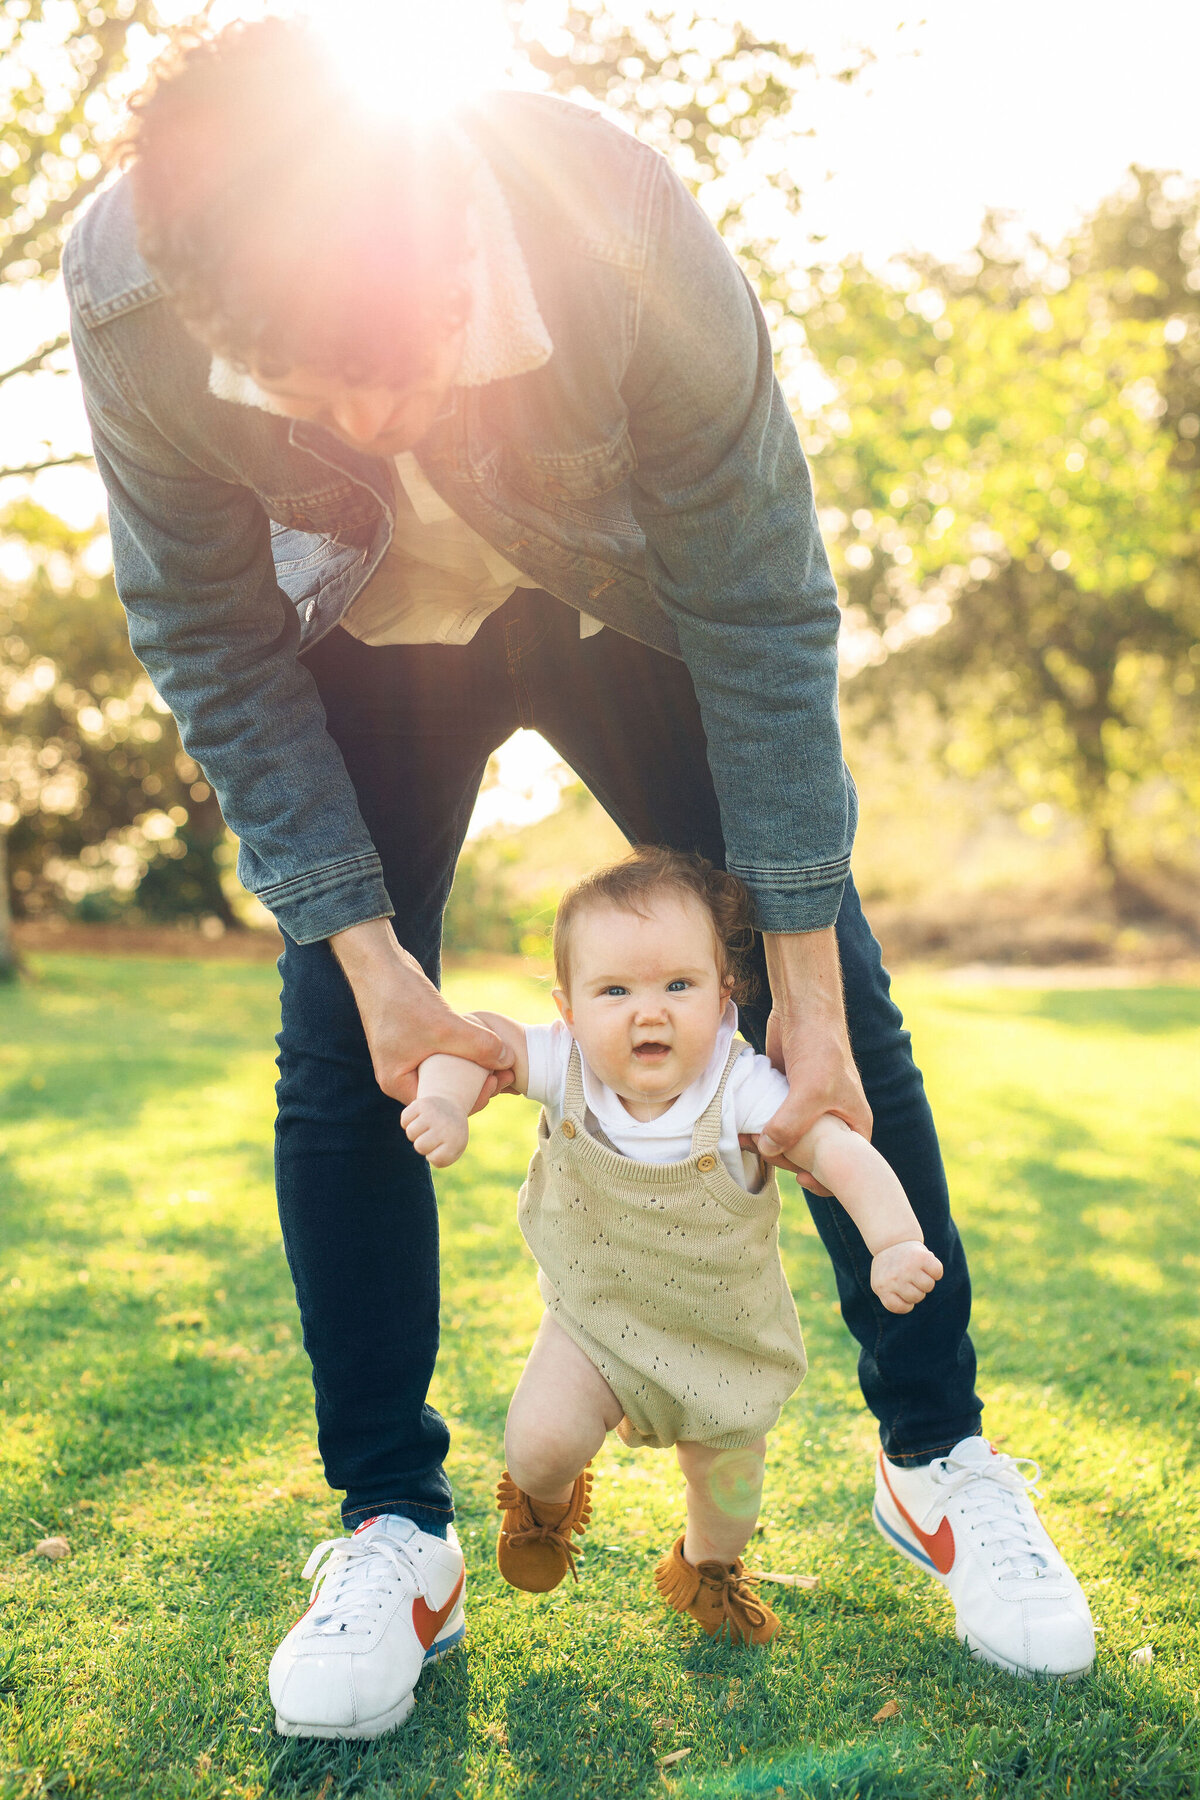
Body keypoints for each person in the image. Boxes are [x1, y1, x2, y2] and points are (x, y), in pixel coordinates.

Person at [63, 16, 1094, 1739]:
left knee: (828, 1003)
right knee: (343, 1046)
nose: (384, 423)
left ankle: (939, 1460)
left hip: (632, 612)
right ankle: (395, 1526)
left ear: (459, 235)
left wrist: (807, 995)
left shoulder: (615, 224)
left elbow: (768, 614)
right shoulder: (131, 294)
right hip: (364, 641)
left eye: (417, 362)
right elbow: (204, 635)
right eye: (327, 399)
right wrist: (371, 957)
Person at [401, 848, 944, 1646]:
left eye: (677, 986)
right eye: (614, 991)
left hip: (722, 1337)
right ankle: (544, 1508)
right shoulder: (564, 1062)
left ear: (727, 998)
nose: (647, 1013)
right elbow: (474, 1038)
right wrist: (446, 1101)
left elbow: (840, 1152)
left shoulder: (742, 1086)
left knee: (729, 1500)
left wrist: (893, 1241)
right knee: (537, 1442)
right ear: (570, 1009)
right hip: (595, 1322)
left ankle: (709, 1572)